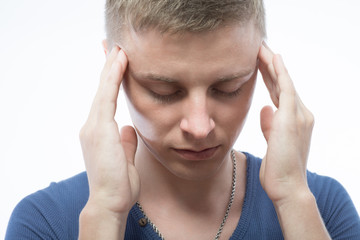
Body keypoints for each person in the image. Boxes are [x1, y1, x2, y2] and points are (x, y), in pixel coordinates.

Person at [5, 0, 360, 239]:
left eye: (228, 87)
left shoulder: (321, 207)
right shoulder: (45, 222)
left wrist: (293, 200)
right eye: (164, 90)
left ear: (262, 66)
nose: (200, 126)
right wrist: (103, 214)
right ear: (114, 70)